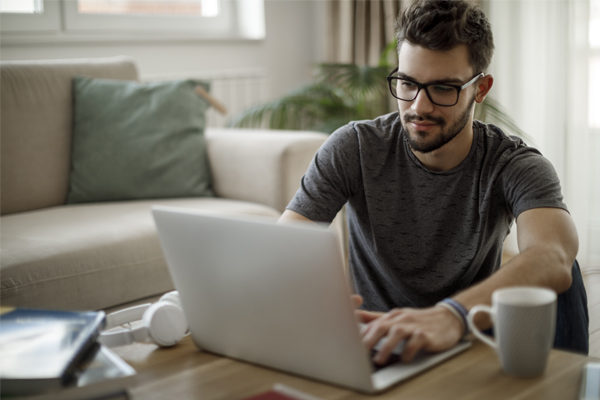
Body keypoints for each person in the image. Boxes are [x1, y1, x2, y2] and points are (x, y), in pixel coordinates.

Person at [278, 0, 589, 363]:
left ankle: (567, 385)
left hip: (467, 333)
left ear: (481, 89)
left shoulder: (512, 163)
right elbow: (285, 243)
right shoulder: (356, 147)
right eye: (408, 83)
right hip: (379, 339)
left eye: (443, 88)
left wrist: (450, 315)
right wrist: (319, 302)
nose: (419, 107)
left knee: (564, 276)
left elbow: (553, 255)